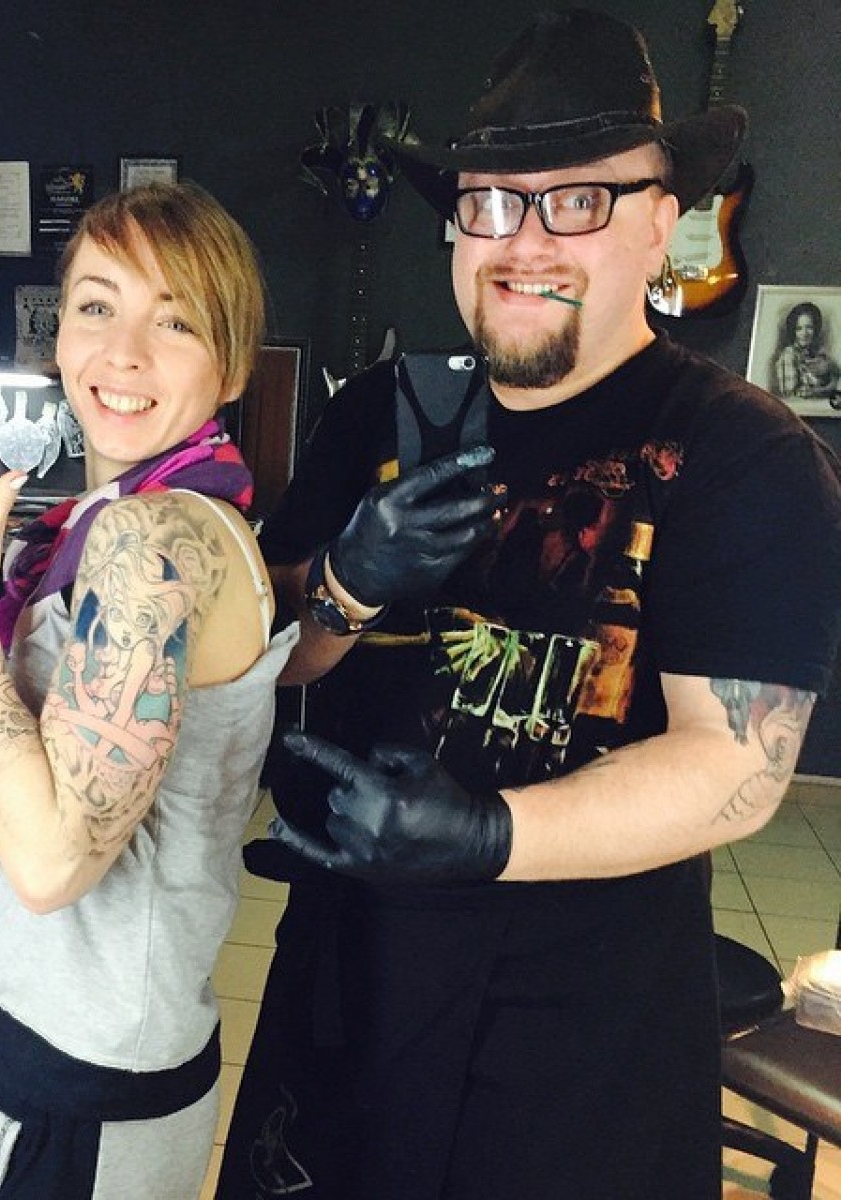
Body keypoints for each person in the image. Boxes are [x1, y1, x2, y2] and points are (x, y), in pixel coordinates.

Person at [217, 10, 841, 1200]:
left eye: (579, 200)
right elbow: (264, 660)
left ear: (662, 222)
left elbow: (737, 766)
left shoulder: (741, 456)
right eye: (492, 202)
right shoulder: (378, 413)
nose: (524, 240)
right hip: (345, 995)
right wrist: (344, 584)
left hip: (579, 1043)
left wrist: (488, 838)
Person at [0, 181, 297, 1200]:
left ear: (233, 365)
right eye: (97, 305)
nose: (123, 353)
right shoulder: (123, 519)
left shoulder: (151, 539)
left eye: (176, 322)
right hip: (68, 1050)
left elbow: (50, 862)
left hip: (81, 1084)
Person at [773, 300, 840, 401]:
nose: (804, 333)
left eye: (809, 327)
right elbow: (794, 397)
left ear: (815, 329)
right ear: (793, 331)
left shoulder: (813, 354)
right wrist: (830, 387)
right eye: (799, 328)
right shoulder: (789, 355)